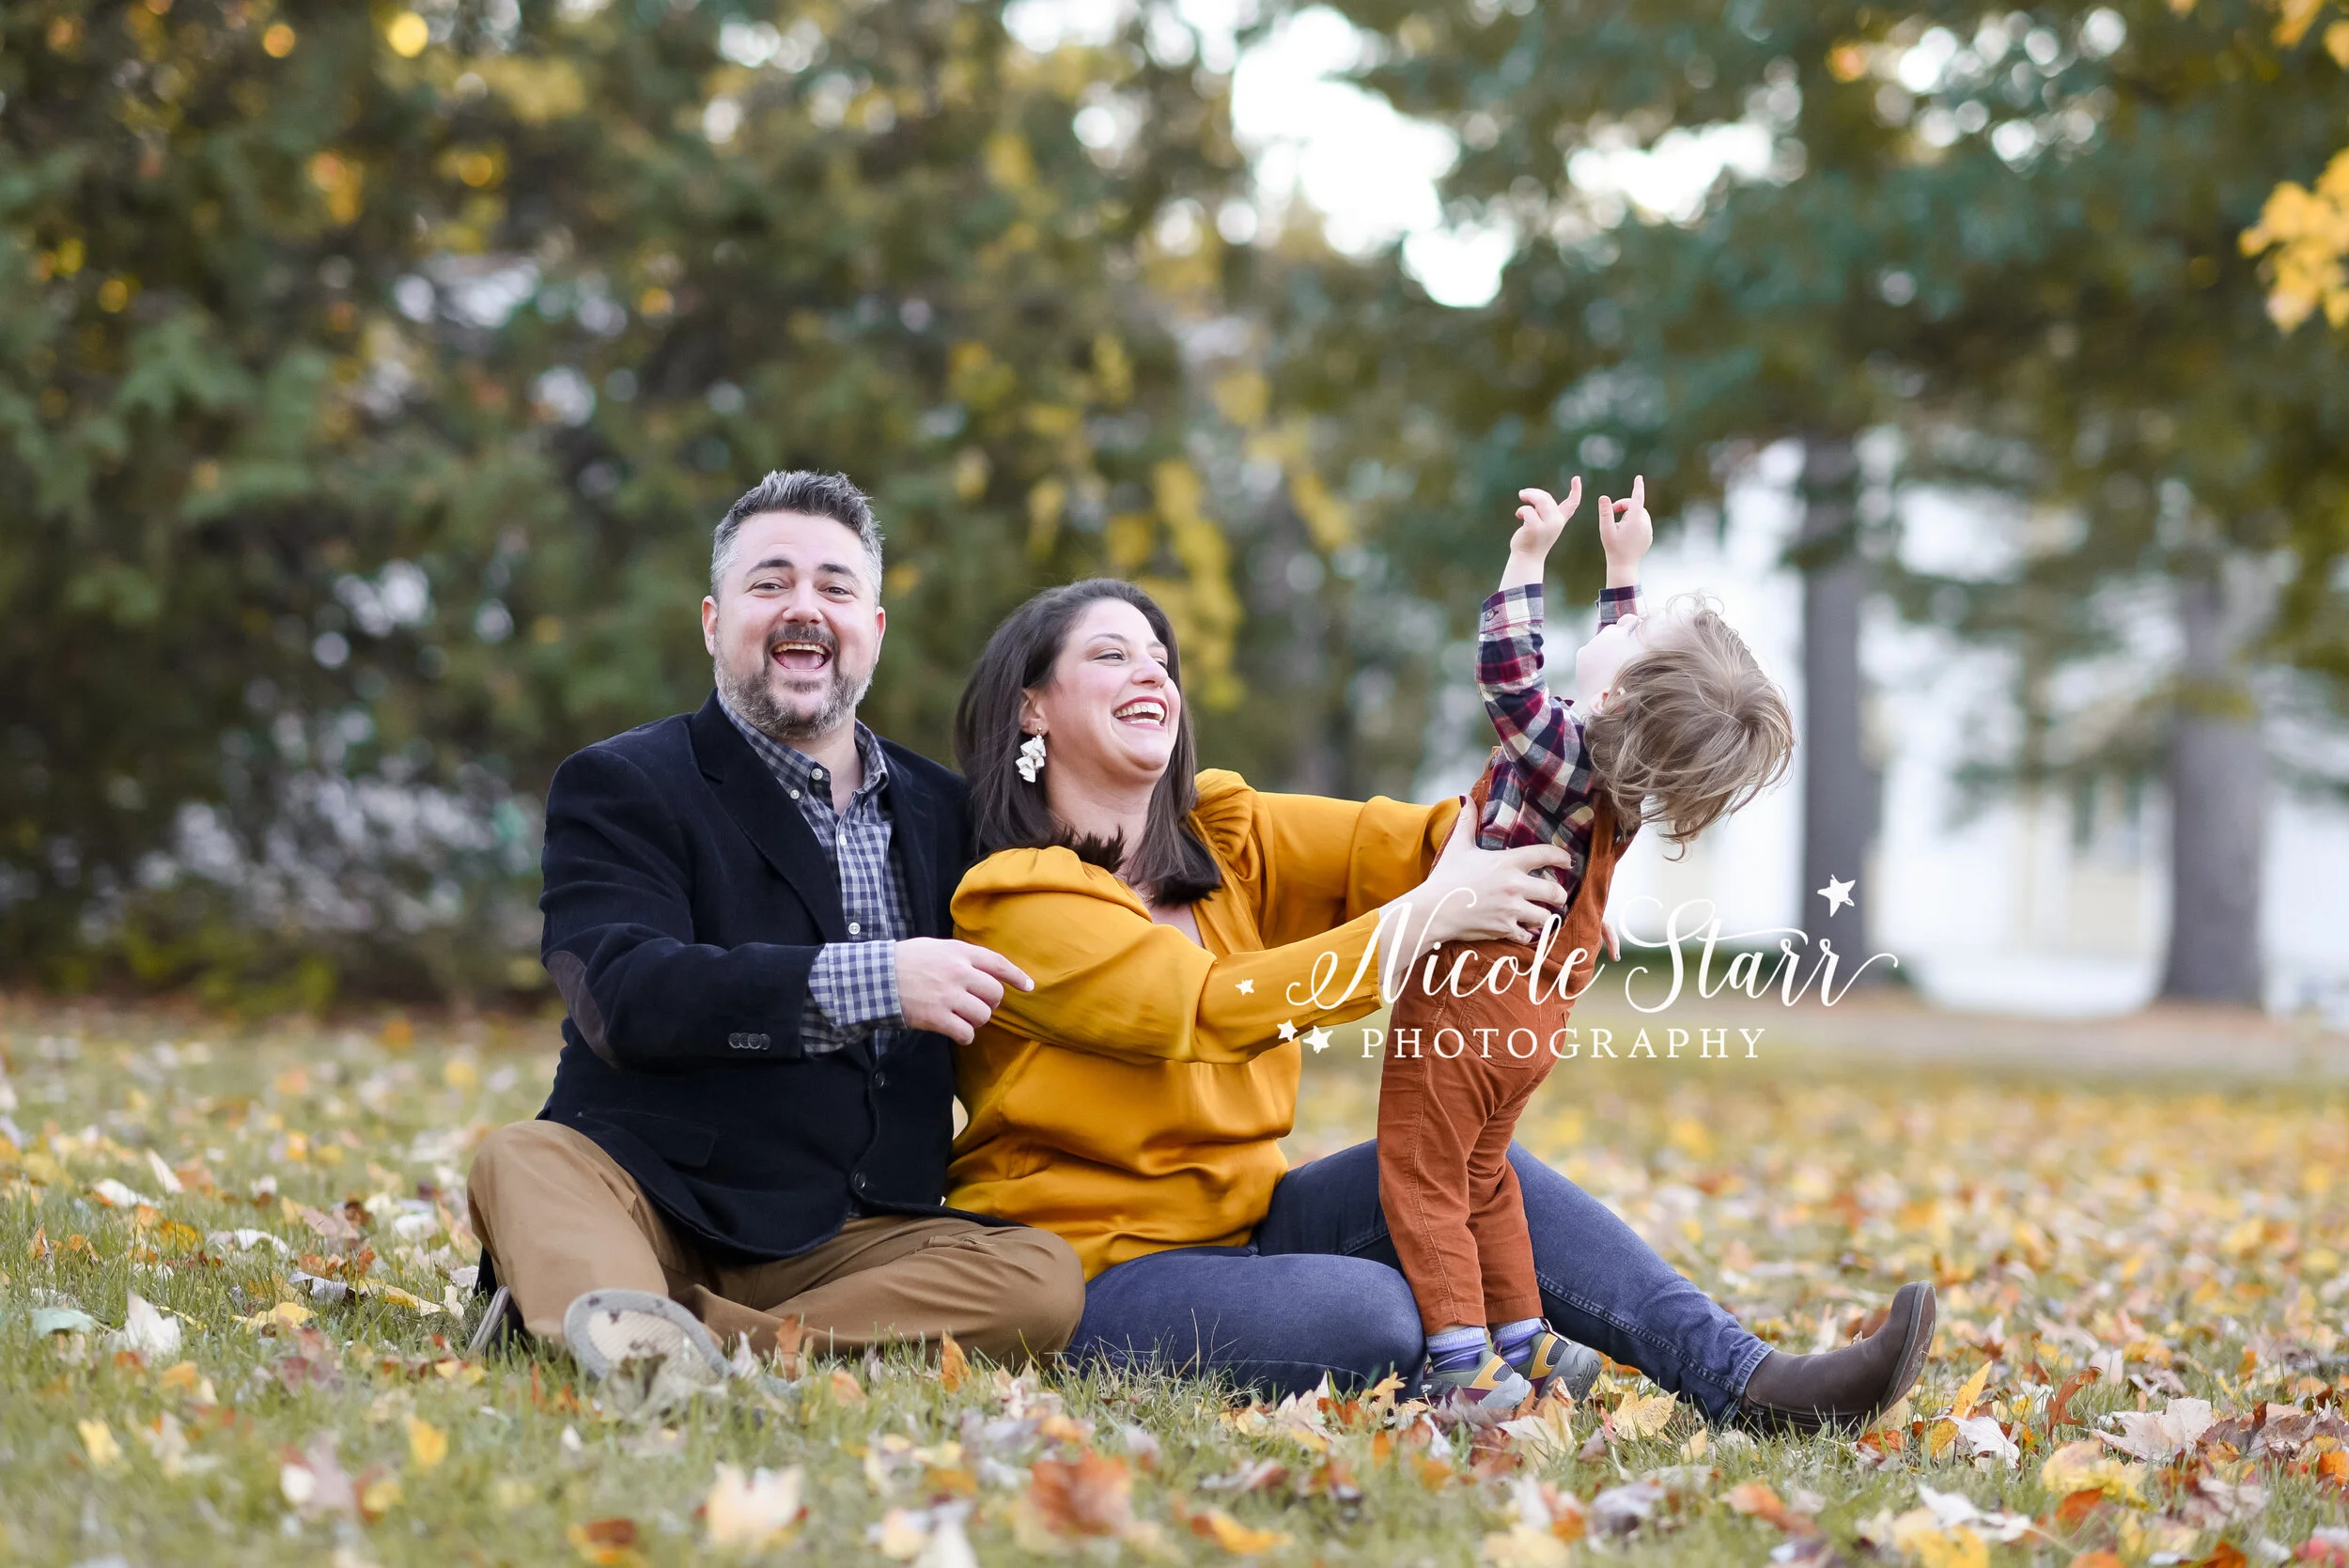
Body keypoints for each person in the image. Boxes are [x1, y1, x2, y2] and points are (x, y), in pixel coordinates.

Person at [941, 574, 1937, 1434]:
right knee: (1372, 1313)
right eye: (1111, 654)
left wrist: (1585, 804)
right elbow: (1200, 1008)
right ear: (1032, 708)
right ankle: (1480, 1358)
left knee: (1470, 1162)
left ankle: (1750, 1379)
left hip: (1254, 1221)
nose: (1150, 672)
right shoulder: (1014, 900)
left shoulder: (1225, 838)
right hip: (1106, 1274)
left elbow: (1430, 843)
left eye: (1160, 655)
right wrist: (1428, 917)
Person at [464, 470, 1083, 1389]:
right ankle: (628, 1310)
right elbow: (623, 992)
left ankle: (664, 1337)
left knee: (1040, 1280)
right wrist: (874, 979)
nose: (805, 610)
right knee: (522, 1155)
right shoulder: (622, 783)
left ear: (872, 630)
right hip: (647, 1197)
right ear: (716, 621)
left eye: (835, 588)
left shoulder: (954, 814)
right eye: (771, 583)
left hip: (854, 1240)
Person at [1380, 474, 1798, 1414]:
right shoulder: (1621, 775)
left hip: (1469, 1003)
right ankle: (1525, 1344)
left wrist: (1526, 562)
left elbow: (1506, 675)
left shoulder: (1559, 749)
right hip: (1535, 1014)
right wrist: (1621, 569)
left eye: (1629, 628)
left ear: (1614, 691)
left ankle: (1460, 1365)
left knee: (1420, 1178)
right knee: (1485, 1177)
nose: (1620, 622)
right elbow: (1631, 678)